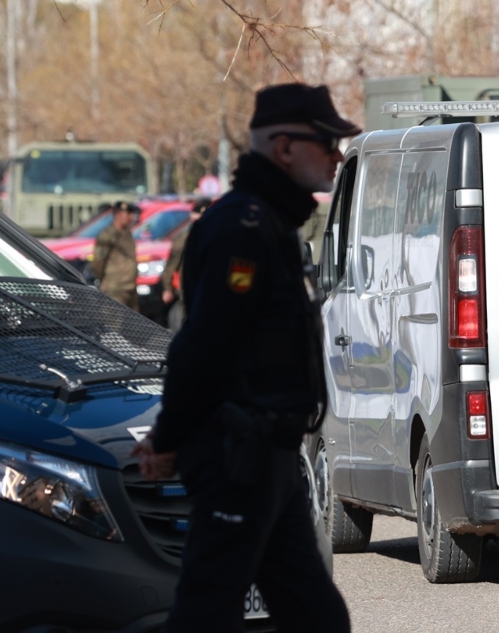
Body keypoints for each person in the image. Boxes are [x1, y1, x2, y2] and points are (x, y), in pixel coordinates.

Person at [130, 82, 358, 633]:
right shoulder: (242, 227)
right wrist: (168, 438)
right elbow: (204, 346)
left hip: (271, 455)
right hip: (238, 454)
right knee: (208, 613)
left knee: (317, 616)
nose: (337, 155)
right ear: (284, 148)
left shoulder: (273, 224)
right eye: (327, 143)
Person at [160, 197, 212, 331]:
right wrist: (167, 288)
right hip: (190, 288)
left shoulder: (214, 234)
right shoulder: (184, 237)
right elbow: (172, 264)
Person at [91, 201, 140, 310]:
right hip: (115, 288)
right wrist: (103, 279)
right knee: (114, 324)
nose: (131, 217)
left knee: (133, 325)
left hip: (130, 287)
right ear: (118, 214)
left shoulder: (127, 233)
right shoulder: (108, 235)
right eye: (128, 214)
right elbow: (99, 261)